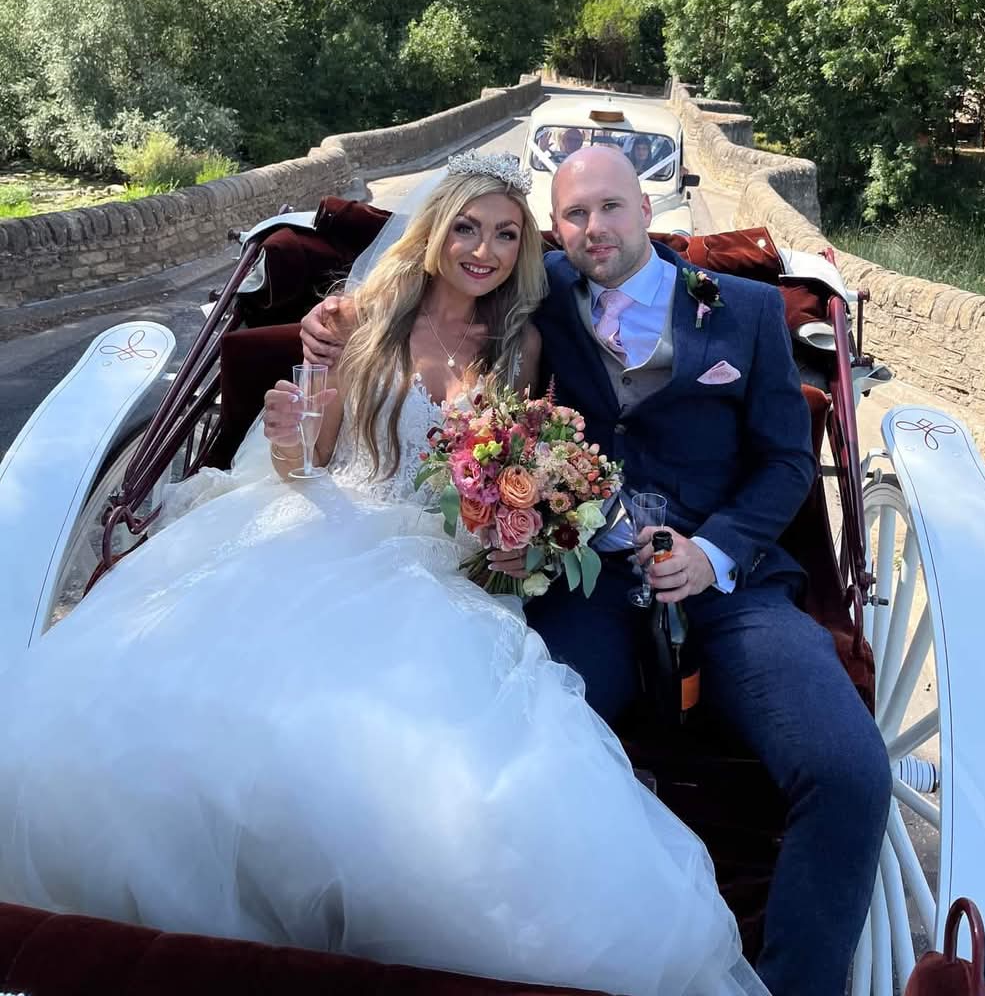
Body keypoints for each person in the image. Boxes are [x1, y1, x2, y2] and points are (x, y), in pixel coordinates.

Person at [0, 151, 762, 996]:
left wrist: (518, 529)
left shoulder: (523, 342)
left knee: (439, 780)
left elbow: (513, 466)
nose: (485, 251)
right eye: (467, 228)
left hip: (438, 562)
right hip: (321, 523)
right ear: (433, 229)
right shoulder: (359, 319)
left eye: (508, 235)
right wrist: (290, 425)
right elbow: (308, 463)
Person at [300, 146, 892, 996]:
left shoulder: (748, 310)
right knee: (516, 754)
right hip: (587, 586)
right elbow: (433, 277)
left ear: (649, 213)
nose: (593, 229)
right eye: (573, 215)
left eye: (610, 208)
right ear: (557, 229)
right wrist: (335, 314)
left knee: (849, 774)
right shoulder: (537, 294)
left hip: (731, 591)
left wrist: (713, 552)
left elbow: (785, 463)